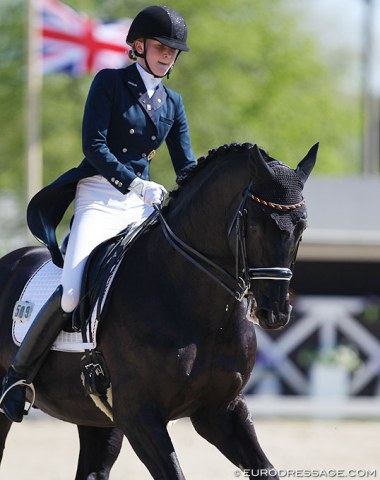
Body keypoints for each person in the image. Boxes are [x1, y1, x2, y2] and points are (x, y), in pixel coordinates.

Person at [0, 5, 196, 423]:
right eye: (161, 47)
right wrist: (136, 182)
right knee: (72, 290)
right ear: (139, 46)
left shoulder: (172, 103)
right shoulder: (110, 82)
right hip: (100, 196)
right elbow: (94, 145)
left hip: (140, 206)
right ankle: (18, 377)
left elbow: (187, 167)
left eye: (174, 51)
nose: (168, 56)